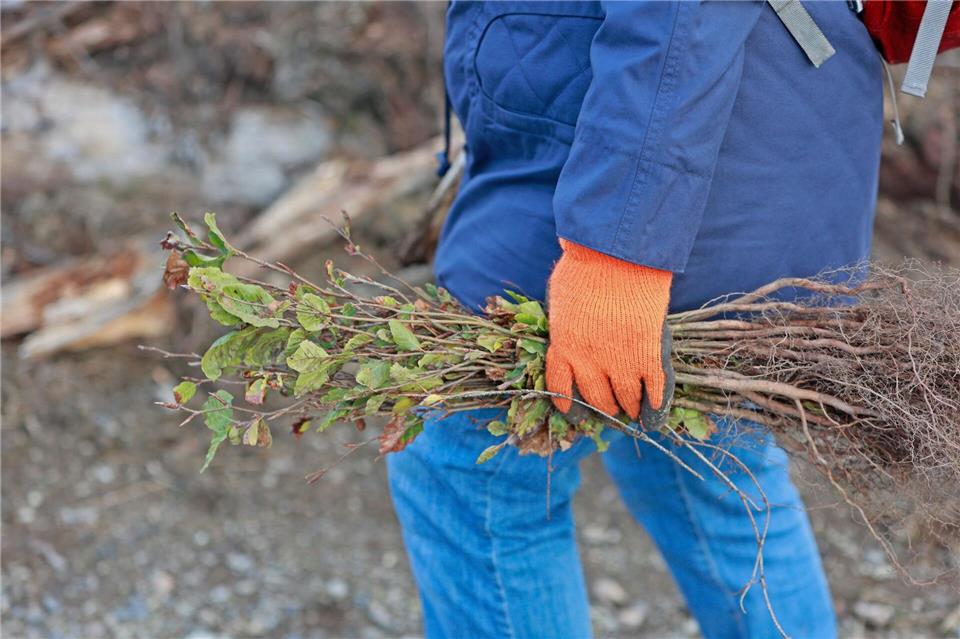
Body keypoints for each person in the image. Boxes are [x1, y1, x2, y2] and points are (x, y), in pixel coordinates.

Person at [388, 2, 883, 637]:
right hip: (752, 123)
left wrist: (618, 251)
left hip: (611, 154)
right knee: (705, 461)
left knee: (470, 454)